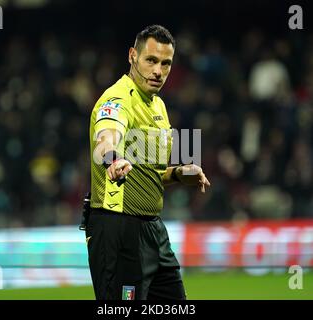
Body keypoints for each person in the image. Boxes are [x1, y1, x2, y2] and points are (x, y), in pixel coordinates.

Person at [86, 24, 210, 300]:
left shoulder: (158, 106)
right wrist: (112, 160)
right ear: (132, 56)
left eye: (166, 64)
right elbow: (105, 138)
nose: (158, 71)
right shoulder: (118, 98)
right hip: (118, 230)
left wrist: (178, 173)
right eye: (151, 60)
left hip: (152, 230)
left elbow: (148, 171)